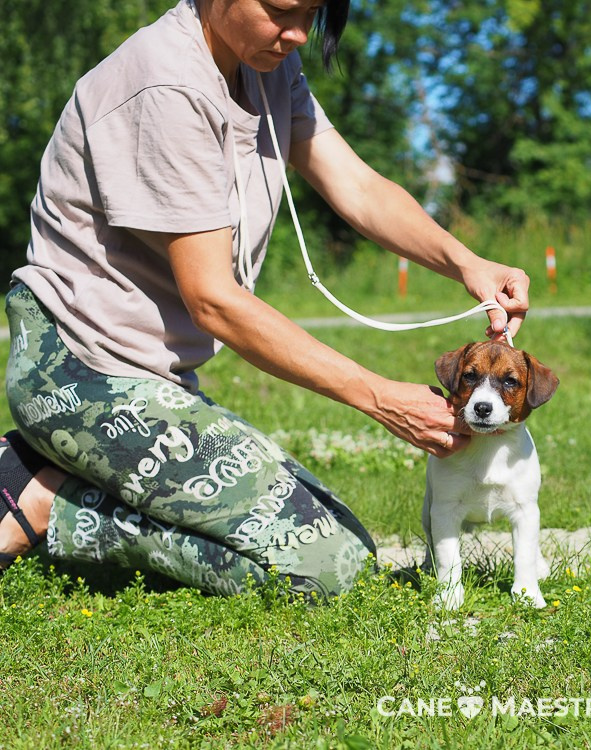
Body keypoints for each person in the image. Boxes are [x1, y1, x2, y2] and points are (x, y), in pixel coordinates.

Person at [0, 0, 530, 597]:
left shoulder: (265, 65)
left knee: (338, 541)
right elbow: (214, 301)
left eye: (314, 13)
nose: (299, 33)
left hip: (150, 382)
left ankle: (57, 459)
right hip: (79, 372)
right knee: (326, 568)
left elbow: (357, 187)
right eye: (281, 8)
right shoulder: (167, 85)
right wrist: (380, 397)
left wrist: (469, 263)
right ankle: (46, 499)